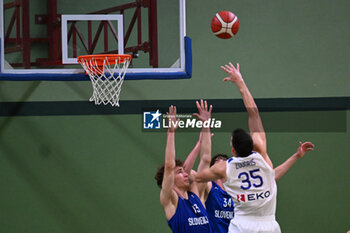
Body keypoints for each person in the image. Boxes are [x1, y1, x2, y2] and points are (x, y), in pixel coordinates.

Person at [195, 62, 314, 233]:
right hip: (269, 225)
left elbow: (202, 168)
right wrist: (240, 82)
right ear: (252, 144)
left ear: (233, 151)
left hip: (242, 225)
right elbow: (254, 112)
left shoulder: (226, 167)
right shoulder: (261, 155)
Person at [154, 102, 214, 233]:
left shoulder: (195, 194)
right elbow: (169, 167)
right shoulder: (171, 200)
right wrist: (171, 132)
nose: (186, 174)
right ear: (170, 179)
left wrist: (205, 125)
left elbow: (205, 159)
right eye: (180, 172)